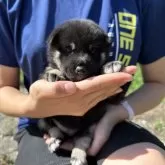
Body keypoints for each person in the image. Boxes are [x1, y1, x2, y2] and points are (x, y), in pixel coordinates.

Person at [0, 0, 165, 165]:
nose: (81, 62)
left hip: (103, 118)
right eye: (68, 50)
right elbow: (3, 88)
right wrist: (34, 106)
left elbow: (159, 82)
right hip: (43, 125)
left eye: (93, 51)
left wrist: (114, 115)